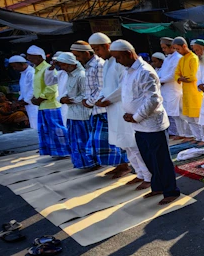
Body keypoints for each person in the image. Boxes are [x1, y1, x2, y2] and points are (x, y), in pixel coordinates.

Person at [113, 39, 180, 206]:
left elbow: (153, 100)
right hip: (139, 124)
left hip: (152, 124)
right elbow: (128, 95)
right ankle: (157, 186)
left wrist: (136, 116)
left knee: (161, 160)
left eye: (119, 57)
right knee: (149, 158)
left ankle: (171, 191)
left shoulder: (145, 71)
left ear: (129, 54)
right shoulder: (128, 71)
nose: (117, 61)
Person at [89, 32, 137, 179]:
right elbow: (106, 87)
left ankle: (141, 173)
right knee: (121, 141)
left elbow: (123, 87)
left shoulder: (120, 62)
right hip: (112, 108)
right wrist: (101, 98)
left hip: (122, 106)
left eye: (98, 50)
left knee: (131, 142)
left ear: (106, 46)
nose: (97, 53)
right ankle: (135, 171)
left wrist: (108, 99)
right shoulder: (108, 63)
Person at [56, 52, 98, 170]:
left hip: (82, 114)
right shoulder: (69, 76)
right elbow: (65, 92)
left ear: (70, 64)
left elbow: (86, 96)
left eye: (63, 65)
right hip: (72, 114)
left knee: (84, 141)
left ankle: (92, 163)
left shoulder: (81, 75)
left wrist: (70, 100)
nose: (62, 68)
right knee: (75, 142)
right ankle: (82, 163)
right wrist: (62, 99)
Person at [27, 45, 70, 158]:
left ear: (39, 57)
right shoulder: (36, 69)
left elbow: (51, 87)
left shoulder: (46, 68)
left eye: (31, 56)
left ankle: (66, 150)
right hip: (43, 105)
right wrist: (34, 98)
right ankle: (56, 151)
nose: (29, 59)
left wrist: (40, 98)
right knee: (48, 130)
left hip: (50, 104)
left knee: (57, 129)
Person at [173, 37, 204, 144]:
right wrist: (181, 78)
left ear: (184, 46)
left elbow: (193, 77)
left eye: (178, 49)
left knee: (197, 117)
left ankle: (203, 138)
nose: (177, 51)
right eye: (175, 49)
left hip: (194, 92)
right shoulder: (181, 60)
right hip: (186, 92)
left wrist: (181, 78)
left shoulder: (193, 58)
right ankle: (197, 137)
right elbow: (176, 74)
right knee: (189, 118)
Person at [159, 37, 191, 140]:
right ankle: (180, 133)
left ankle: (188, 134)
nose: (163, 50)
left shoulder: (178, 57)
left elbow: (173, 75)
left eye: (164, 47)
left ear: (171, 47)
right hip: (166, 90)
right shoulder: (168, 58)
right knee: (174, 114)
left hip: (175, 89)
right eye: (162, 48)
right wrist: (158, 78)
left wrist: (160, 81)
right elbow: (162, 72)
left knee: (180, 114)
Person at [9, 55, 38, 129]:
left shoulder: (31, 72)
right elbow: (23, 90)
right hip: (28, 103)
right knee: (33, 122)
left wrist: (26, 100)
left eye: (15, 66)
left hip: (33, 102)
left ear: (21, 64)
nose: (14, 69)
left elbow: (33, 88)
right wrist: (19, 100)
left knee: (36, 122)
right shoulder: (23, 73)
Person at [44, 51, 69, 126]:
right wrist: (52, 67)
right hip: (63, 104)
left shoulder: (77, 73)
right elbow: (49, 82)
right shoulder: (61, 73)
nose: (59, 65)